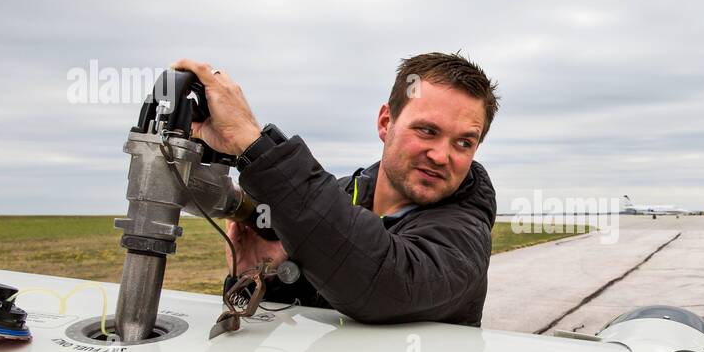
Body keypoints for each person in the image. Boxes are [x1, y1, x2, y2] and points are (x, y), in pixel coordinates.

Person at [171, 51, 499, 327]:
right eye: (427, 130)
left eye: (464, 142)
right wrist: (258, 279)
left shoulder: (464, 233)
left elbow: (383, 283)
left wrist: (254, 145)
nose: (442, 155)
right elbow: (306, 313)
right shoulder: (340, 200)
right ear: (386, 123)